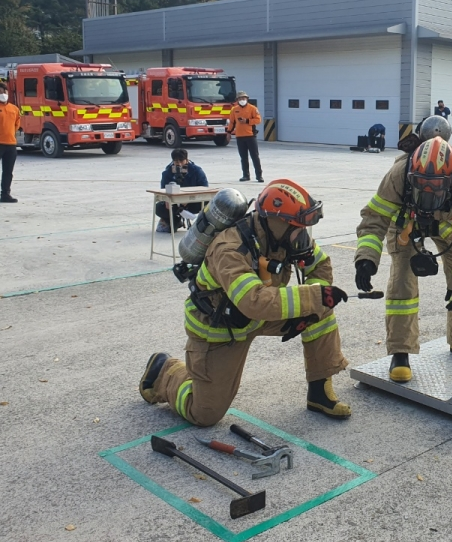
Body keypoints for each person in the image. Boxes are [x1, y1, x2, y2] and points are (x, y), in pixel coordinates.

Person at [139, 180, 352, 423]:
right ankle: (165, 372)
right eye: (297, 227)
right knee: (204, 414)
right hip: (219, 329)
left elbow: (320, 264)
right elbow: (253, 301)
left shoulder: (285, 238)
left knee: (320, 313)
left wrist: (316, 299)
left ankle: (319, 392)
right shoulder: (229, 249)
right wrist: (315, 297)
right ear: (277, 222)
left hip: (258, 317)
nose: (302, 233)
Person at [354, 137, 452, 382]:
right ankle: (401, 352)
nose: (428, 191)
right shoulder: (398, 174)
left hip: (449, 224)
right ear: (412, 174)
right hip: (407, 224)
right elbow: (375, 217)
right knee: (402, 284)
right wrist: (366, 258)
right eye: (422, 184)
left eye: (436, 185)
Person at [157, 149, 209, 232]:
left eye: (181, 161)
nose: (180, 164)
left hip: (193, 201)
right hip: (174, 204)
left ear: (187, 160)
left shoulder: (197, 171)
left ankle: (201, 224)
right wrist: (166, 199)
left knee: (209, 203)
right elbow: (163, 189)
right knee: (159, 207)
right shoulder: (167, 173)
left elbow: (205, 187)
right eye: (176, 162)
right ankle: (174, 221)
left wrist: (188, 199)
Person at [228, 91, 263, 183]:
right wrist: (228, 132)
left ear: (247, 99)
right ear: (237, 100)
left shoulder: (252, 108)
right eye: (240, 99)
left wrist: (247, 121)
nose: (242, 100)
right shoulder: (234, 110)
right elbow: (232, 122)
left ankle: (259, 176)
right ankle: (245, 175)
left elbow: (258, 120)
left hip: (250, 136)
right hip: (239, 136)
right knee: (243, 157)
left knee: (255, 156)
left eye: (243, 98)